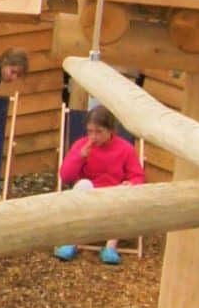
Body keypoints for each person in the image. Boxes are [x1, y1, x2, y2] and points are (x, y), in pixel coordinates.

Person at [54, 104, 147, 265]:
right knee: (82, 184)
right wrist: (80, 156)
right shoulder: (82, 145)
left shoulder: (125, 149)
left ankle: (110, 247)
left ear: (111, 130)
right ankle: (72, 241)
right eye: (90, 131)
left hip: (113, 198)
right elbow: (66, 177)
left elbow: (138, 177)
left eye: (99, 132)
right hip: (89, 197)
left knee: (123, 191)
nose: (93, 136)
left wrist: (130, 184)